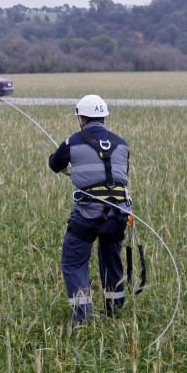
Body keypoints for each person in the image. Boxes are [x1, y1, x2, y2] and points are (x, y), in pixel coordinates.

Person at [48, 94, 131, 325]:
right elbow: (119, 175)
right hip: (118, 213)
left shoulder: (72, 141)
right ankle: (114, 309)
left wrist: (71, 170)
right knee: (110, 258)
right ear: (103, 117)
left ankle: (82, 318)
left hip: (88, 214)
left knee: (73, 262)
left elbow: (55, 164)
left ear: (81, 118)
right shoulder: (122, 143)